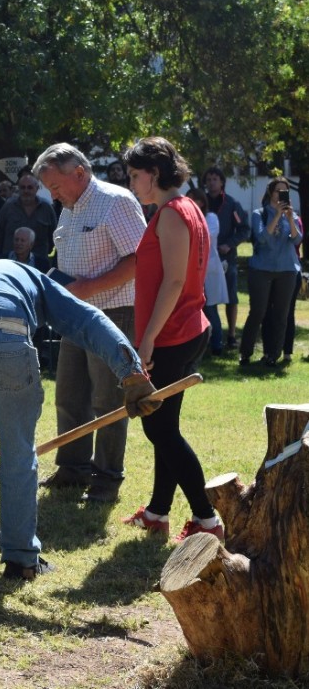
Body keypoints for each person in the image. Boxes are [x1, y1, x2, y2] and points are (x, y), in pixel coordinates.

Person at [0, 259, 158, 582]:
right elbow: (87, 319)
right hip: (7, 338)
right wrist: (130, 371)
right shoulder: (28, 275)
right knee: (18, 455)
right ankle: (20, 562)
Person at [121, 137, 223, 542]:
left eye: (134, 175)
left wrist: (146, 341)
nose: (131, 183)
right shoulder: (183, 208)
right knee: (163, 425)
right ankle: (158, 512)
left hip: (174, 335)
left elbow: (176, 281)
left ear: (155, 173)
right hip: (182, 330)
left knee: (160, 430)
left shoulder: (173, 213)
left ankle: (207, 520)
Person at [33, 143, 146, 503]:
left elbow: (139, 260)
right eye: (49, 189)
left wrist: (86, 288)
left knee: (108, 400)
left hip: (113, 314)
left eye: (55, 186)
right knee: (69, 396)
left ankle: (106, 478)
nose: (53, 194)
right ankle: (73, 468)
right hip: (75, 316)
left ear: (79, 173)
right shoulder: (68, 209)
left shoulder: (116, 201)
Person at [238, 177, 302, 367]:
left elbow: (297, 240)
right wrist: (276, 216)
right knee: (258, 312)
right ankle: (245, 353)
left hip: (287, 270)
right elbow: (261, 239)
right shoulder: (260, 213)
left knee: (281, 315)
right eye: (277, 191)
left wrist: (290, 219)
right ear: (270, 193)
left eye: (284, 192)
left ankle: (273, 355)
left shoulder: (293, 215)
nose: (280, 195)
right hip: (261, 269)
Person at [202, 166, 250, 351]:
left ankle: (230, 335)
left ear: (222, 182)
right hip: (205, 259)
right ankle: (208, 336)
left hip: (226, 257)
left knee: (230, 296)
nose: (212, 182)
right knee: (206, 298)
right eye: (208, 179)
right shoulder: (201, 203)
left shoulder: (231, 204)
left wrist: (230, 244)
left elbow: (245, 229)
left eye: (215, 179)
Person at [187, 189, 229, 355]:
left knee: (211, 309)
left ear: (201, 202)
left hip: (208, 269)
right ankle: (199, 348)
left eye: (193, 200)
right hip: (192, 269)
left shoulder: (210, 218)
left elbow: (205, 237)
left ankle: (217, 345)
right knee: (195, 310)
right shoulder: (186, 219)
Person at [0, 173, 58, 259]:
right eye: (22, 187)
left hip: (39, 263)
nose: (26, 191)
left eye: (30, 187)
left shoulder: (46, 208)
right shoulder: (8, 207)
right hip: (12, 261)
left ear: (37, 189)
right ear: (18, 189)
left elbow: (54, 235)